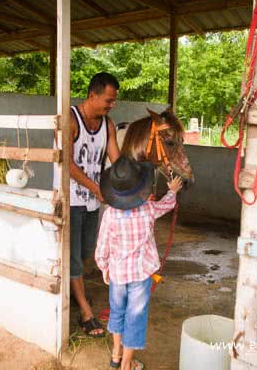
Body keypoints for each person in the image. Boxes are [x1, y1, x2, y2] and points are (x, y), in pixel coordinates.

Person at [96, 155, 183, 370]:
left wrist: (104, 267)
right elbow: (167, 205)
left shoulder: (109, 215)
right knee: (135, 317)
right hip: (141, 274)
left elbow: (102, 247)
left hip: (117, 274)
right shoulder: (148, 209)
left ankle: (116, 355)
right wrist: (172, 190)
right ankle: (127, 363)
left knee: (117, 312)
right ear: (140, 189)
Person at [67, 72, 120, 337]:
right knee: (74, 256)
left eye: (113, 102)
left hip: (91, 202)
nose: (111, 106)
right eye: (108, 100)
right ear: (92, 95)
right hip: (70, 199)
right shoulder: (70, 119)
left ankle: (70, 285)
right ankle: (85, 311)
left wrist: (138, 186)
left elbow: (117, 161)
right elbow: (67, 163)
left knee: (88, 249)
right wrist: (95, 187)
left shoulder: (108, 125)